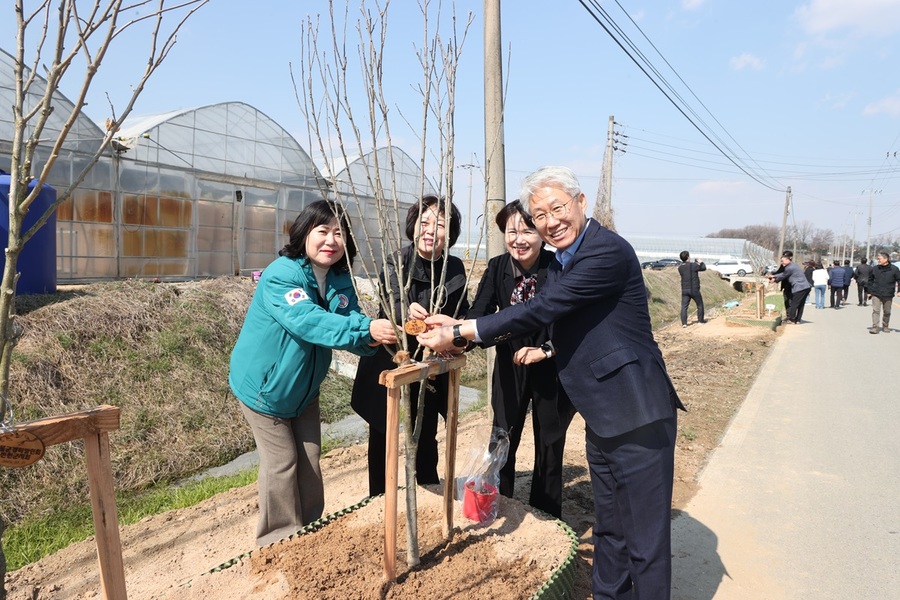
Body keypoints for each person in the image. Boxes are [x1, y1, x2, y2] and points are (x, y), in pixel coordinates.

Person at [417, 166, 684, 599]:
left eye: (557, 208)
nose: (550, 221)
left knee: (645, 540)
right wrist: (460, 327)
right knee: (610, 529)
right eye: (539, 215)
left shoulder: (605, 252)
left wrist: (463, 330)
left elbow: (542, 309)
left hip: (636, 412)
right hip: (602, 414)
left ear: (581, 202)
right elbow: (533, 314)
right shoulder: (561, 260)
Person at [229, 200, 397, 546]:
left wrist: (373, 338)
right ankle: (277, 542)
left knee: (309, 459)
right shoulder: (282, 274)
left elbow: (349, 321)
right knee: (282, 462)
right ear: (304, 232)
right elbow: (308, 321)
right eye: (323, 231)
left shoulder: (338, 278)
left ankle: (308, 533)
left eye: (339, 232)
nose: (331, 240)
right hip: (265, 389)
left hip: (304, 388)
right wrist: (366, 329)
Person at [350, 195, 470, 497]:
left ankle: (427, 488)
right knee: (383, 431)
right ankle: (380, 496)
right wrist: (407, 311)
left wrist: (453, 329)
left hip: (431, 364)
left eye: (440, 224)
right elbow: (392, 304)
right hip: (394, 358)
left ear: (450, 233)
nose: (430, 230)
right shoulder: (396, 261)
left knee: (426, 430)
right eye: (424, 222)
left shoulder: (454, 267)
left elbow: (462, 312)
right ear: (413, 226)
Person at [466, 201, 575, 518]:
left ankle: (547, 514)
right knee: (502, 438)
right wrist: (458, 338)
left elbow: (570, 321)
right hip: (509, 363)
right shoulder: (497, 267)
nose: (519, 239)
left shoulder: (557, 268)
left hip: (551, 364)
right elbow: (479, 314)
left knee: (550, 442)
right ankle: (496, 508)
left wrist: (547, 349)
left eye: (528, 231)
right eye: (511, 232)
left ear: (542, 233)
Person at [767, 251, 811, 323]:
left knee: (794, 304)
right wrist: (774, 276)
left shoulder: (790, 267)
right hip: (805, 287)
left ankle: (792, 319)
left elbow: (784, 275)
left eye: (783, 261)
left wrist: (774, 278)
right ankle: (797, 319)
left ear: (788, 259)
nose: (782, 263)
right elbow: (782, 273)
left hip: (800, 287)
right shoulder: (792, 265)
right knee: (800, 304)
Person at [866, 251, 900, 334]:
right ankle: (875, 327)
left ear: (886, 259)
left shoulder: (894, 269)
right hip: (876, 292)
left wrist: (899, 291)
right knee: (876, 310)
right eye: (878, 259)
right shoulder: (875, 269)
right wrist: (869, 292)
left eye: (879, 259)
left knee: (887, 311)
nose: (878, 260)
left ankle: (885, 325)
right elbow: (870, 281)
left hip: (888, 293)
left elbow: (899, 280)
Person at [677, 250, 706, 327]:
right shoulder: (693, 265)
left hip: (685, 290)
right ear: (688, 257)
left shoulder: (680, 268)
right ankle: (700, 320)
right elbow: (703, 268)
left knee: (684, 307)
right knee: (700, 305)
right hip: (694, 289)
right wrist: (700, 262)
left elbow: (686, 269)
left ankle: (684, 323)